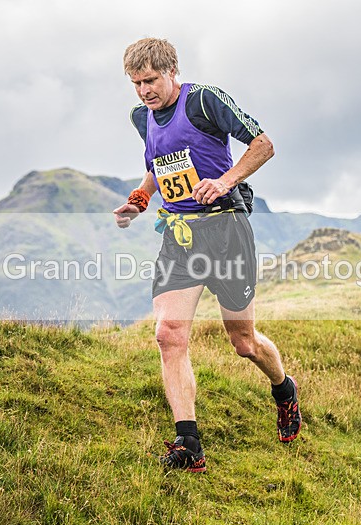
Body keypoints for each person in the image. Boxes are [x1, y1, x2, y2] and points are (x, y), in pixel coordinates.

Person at [113, 38, 301, 472]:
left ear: (172, 71)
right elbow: (160, 165)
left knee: (243, 342)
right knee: (169, 334)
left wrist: (224, 180)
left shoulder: (204, 100)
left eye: (151, 80)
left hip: (226, 229)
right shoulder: (142, 117)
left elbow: (263, 144)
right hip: (180, 235)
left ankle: (284, 389)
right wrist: (139, 200)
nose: (144, 91)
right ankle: (188, 444)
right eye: (136, 83)